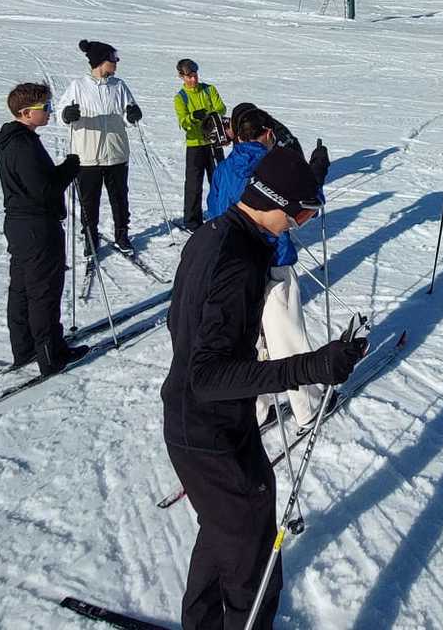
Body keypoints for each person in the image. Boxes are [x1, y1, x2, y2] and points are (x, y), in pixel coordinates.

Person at [162, 147, 367, 630]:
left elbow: (180, 324)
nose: (299, 226)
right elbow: (208, 375)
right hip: (209, 431)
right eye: (301, 215)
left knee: (224, 529)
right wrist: (313, 366)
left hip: (204, 421)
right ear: (277, 203)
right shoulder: (237, 260)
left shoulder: (216, 232)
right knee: (251, 560)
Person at [207, 107, 332, 427]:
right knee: (285, 335)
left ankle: (256, 408)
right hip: (272, 260)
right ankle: (308, 407)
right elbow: (306, 206)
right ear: (266, 133)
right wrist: (317, 172)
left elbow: (214, 210)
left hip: (234, 266)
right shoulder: (270, 164)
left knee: (251, 338)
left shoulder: (224, 168)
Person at [0, 83, 90, 375]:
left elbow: (37, 182)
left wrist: (63, 169)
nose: (49, 112)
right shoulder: (22, 145)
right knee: (43, 291)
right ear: (25, 113)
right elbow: (44, 190)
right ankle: (51, 355)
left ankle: (25, 349)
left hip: (21, 224)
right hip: (36, 226)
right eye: (44, 108)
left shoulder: (16, 140)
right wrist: (69, 168)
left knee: (23, 288)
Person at [58, 39, 143, 257]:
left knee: (120, 199)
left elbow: (128, 113)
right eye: (112, 58)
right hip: (88, 156)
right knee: (89, 203)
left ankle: (122, 236)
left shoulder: (119, 86)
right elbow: (60, 113)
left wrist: (133, 115)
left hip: (116, 154)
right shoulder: (78, 86)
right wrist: (66, 114)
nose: (116, 62)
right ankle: (90, 239)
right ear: (99, 61)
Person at [173, 59, 230, 229]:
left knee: (218, 179)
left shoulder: (209, 89)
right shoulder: (181, 97)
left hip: (213, 142)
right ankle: (192, 220)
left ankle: (220, 214)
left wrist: (210, 116)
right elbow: (183, 122)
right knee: (194, 184)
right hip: (195, 144)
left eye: (195, 75)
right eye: (189, 77)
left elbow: (221, 108)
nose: (193, 79)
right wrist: (193, 117)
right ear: (182, 77)